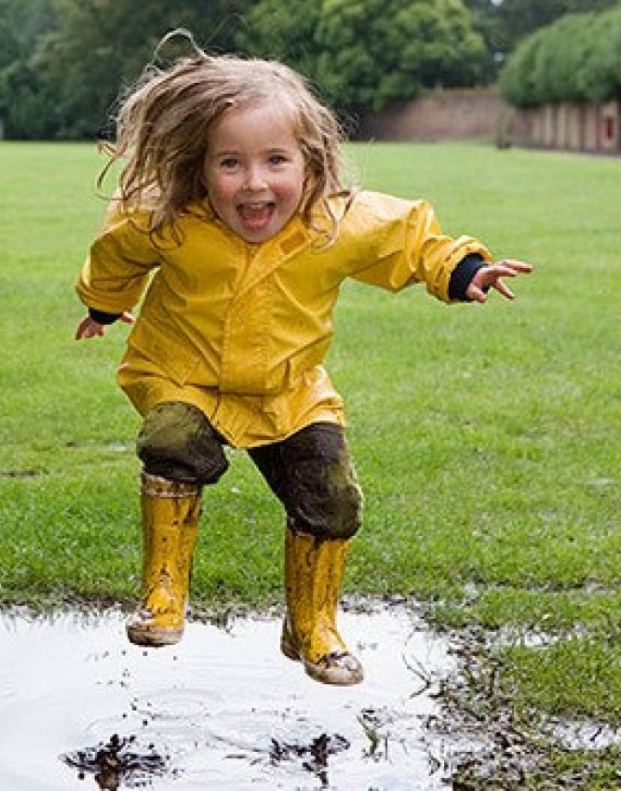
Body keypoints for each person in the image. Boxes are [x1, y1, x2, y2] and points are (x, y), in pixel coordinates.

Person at [73, 35, 532, 687]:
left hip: (288, 390)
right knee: (172, 436)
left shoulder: (332, 223)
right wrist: (101, 303)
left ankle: (312, 623)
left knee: (333, 498)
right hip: (184, 374)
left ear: (310, 162)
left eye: (275, 161)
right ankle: (164, 591)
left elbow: (407, 240)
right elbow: (115, 255)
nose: (254, 182)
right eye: (230, 163)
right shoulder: (171, 220)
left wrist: (464, 269)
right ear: (200, 168)